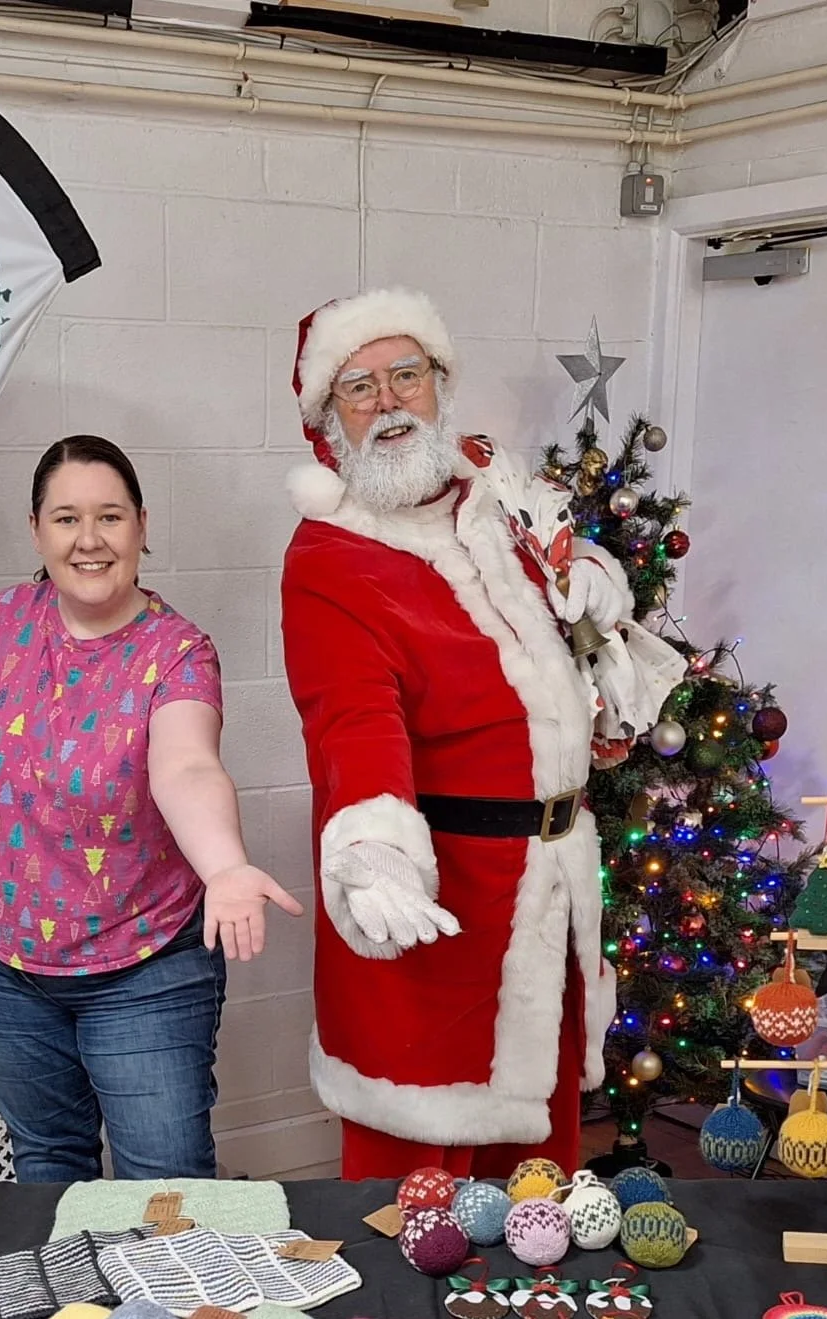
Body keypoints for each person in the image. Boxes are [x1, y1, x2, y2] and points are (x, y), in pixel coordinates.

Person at [279, 288, 684, 1180]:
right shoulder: (330, 560)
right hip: (441, 913)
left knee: (542, 1195)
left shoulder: (501, 507)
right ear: (328, 419)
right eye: (358, 387)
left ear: (439, 384)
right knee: (417, 1202)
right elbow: (351, 716)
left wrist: (599, 595)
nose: (388, 403)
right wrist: (374, 852)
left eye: (406, 376)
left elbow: (563, 620)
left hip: (551, 896)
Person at [0, 434, 302, 1182]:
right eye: (66, 518)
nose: (89, 539)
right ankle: (72, 1305)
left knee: (163, 1181)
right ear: (37, 529)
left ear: (141, 524)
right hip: (2, 962)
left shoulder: (176, 651)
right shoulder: (0, 620)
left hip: (145, 968)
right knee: (48, 1162)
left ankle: (171, 1305)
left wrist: (227, 866)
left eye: (109, 517)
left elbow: (186, 765)